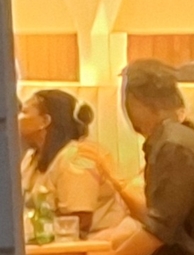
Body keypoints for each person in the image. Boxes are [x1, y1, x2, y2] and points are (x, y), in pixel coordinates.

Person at [37, 61, 194, 255]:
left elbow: (156, 233)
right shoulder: (171, 138)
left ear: (134, 102)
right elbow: (158, 218)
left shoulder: (174, 146)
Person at [16, 88, 130, 241]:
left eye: (24, 112)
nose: (16, 118)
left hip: (91, 251)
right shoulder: (31, 157)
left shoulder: (77, 158)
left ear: (44, 121)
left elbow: (77, 223)